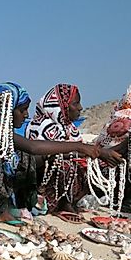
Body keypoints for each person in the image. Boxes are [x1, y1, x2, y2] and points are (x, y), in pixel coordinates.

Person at [0, 82, 121, 227]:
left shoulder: (5, 133)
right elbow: (32, 146)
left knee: (24, 158)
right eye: (21, 110)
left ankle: (5, 208)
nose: (26, 115)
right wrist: (81, 147)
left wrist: (93, 152)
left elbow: (34, 153)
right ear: (7, 109)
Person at [26, 84, 90, 214]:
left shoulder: (69, 128)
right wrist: (78, 153)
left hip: (61, 182)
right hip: (41, 181)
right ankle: (57, 202)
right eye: (75, 103)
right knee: (65, 164)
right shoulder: (41, 125)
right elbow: (41, 155)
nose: (80, 108)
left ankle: (70, 200)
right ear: (62, 106)